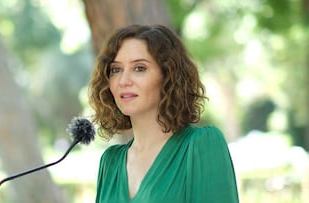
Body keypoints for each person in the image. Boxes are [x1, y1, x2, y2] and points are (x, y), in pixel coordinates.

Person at [88, 24, 239, 203]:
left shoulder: (201, 145)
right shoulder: (110, 162)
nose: (123, 80)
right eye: (116, 70)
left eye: (139, 68)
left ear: (168, 75)